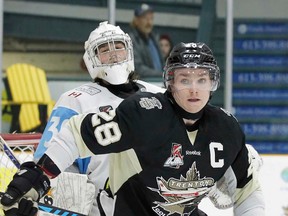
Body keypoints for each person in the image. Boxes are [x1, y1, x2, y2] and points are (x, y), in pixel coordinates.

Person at [1, 42, 265, 216]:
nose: (194, 88)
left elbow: (248, 192)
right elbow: (76, 135)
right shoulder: (144, 113)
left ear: (212, 83)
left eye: (202, 79)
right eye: (184, 79)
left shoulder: (227, 129)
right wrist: (37, 176)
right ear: (170, 84)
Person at [32, 21, 164, 215]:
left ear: (129, 51)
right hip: (102, 205)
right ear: (91, 59)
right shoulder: (74, 100)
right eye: (104, 49)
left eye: (118, 47)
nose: (113, 54)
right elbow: (49, 157)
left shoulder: (159, 95)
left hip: (157, 200)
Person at [129, 3, 164, 78]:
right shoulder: (131, 40)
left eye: (151, 18)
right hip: (145, 84)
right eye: (145, 18)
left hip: (159, 82)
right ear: (136, 21)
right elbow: (138, 68)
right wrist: (162, 74)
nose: (149, 22)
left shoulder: (154, 38)